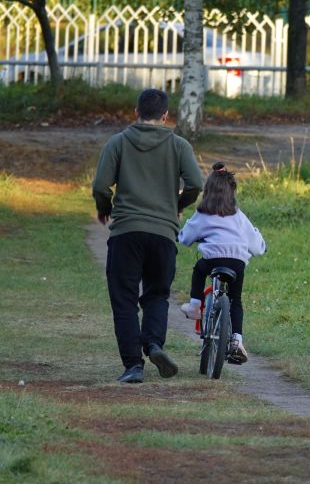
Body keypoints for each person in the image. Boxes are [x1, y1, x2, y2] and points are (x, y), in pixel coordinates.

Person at [92, 89, 204, 384]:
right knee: (156, 295)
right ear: (166, 116)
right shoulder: (179, 145)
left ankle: (133, 366)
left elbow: (101, 185)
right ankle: (154, 344)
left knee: (124, 300)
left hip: (126, 233)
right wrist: (175, 206)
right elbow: (195, 183)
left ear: (135, 112)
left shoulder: (118, 143)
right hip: (163, 234)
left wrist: (105, 208)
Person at [178, 162, 266, 364]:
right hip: (237, 262)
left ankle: (194, 306)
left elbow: (186, 237)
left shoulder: (203, 213)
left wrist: (182, 236)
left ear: (207, 191)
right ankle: (237, 340)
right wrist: (262, 247)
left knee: (199, 270)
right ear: (232, 192)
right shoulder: (238, 215)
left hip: (213, 259)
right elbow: (256, 244)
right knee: (235, 299)